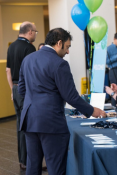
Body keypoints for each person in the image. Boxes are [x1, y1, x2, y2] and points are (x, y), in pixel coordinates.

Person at [18, 27, 106, 175]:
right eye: (67, 47)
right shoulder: (60, 64)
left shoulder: (28, 59)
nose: (68, 52)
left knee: (32, 167)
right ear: (59, 43)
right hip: (51, 123)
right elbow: (71, 96)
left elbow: (21, 90)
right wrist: (93, 111)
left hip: (29, 120)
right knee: (56, 169)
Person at [6, 21, 37, 170]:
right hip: (26, 91)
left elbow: (8, 71)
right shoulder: (30, 48)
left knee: (20, 125)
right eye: (35, 32)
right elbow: (32, 72)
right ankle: (31, 162)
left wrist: (13, 90)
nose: (36, 34)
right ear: (30, 32)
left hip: (16, 89)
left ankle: (23, 161)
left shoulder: (11, 46)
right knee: (29, 125)